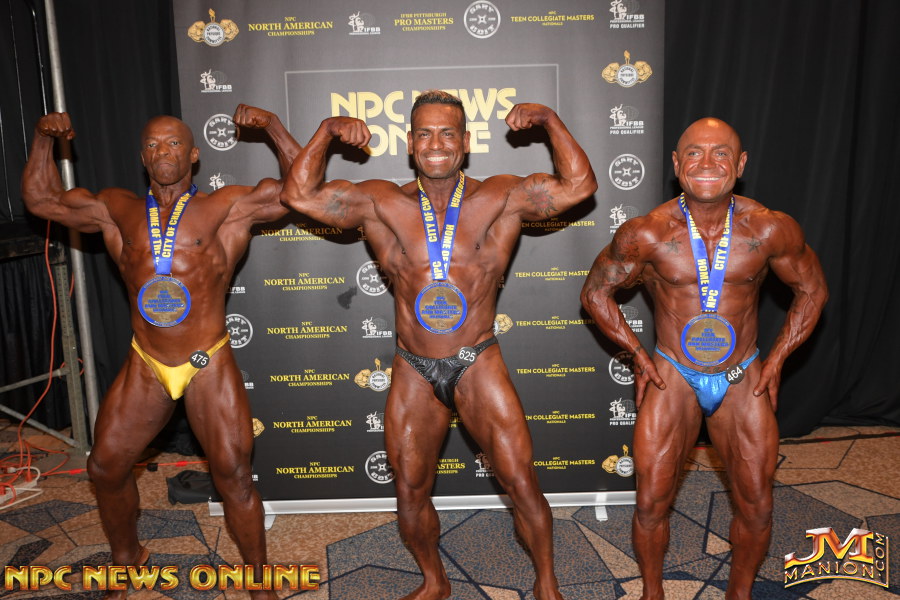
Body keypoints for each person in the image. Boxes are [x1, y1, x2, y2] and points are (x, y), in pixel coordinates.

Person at [281, 90, 597, 600]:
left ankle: (547, 584)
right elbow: (300, 196)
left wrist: (549, 120)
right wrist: (326, 130)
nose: (436, 144)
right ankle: (434, 580)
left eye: (448, 133)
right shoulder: (382, 202)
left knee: (520, 482)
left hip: (477, 361)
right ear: (410, 143)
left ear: (466, 142)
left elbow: (580, 186)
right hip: (414, 366)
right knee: (409, 490)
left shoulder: (500, 197)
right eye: (425, 134)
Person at [21, 105, 300, 599]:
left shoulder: (226, 207)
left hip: (207, 361)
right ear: (142, 157)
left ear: (193, 155)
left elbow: (300, 190)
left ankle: (259, 584)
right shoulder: (118, 208)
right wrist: (44, 138)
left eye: (174, 143)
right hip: (147, 361)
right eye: (152, 144)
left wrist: (273, 128)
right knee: (105, 466)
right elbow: (42, 200)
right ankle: (128, 557)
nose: (163, 152)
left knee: (234, 475)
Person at [581, 117, 827, 600]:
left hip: (740, 374)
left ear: (741, 164)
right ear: (677, 164)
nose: (707, 163)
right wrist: (637, 355)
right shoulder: (647, 232)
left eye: (721, 153)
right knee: (651, 503)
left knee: (757, 506)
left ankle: (739, 594)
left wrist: (778, 359)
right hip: (672, 372)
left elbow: (813, 289)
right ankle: (652, 593)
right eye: (694, 152)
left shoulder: (768, 228)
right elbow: (594, 293)